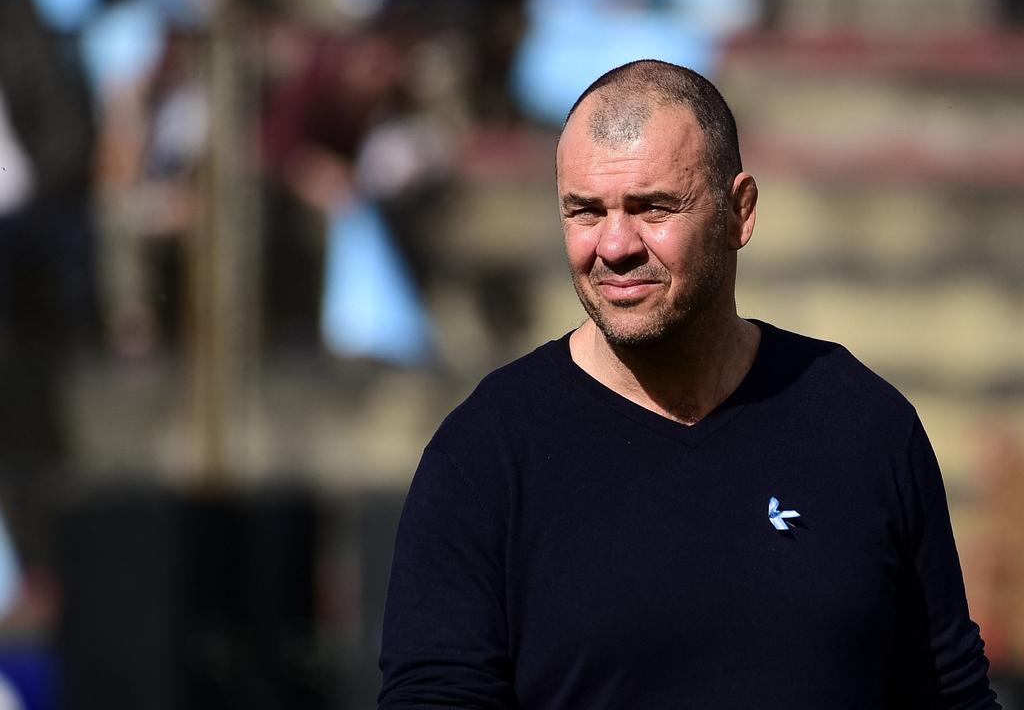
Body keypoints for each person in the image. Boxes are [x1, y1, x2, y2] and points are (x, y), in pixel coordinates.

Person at [377, 60, 1000, 708]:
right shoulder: (485, 455)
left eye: (652, 208)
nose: (615, 245)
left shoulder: (862, 425)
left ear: (740, 211)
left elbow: (950, 694)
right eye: (585, 212)